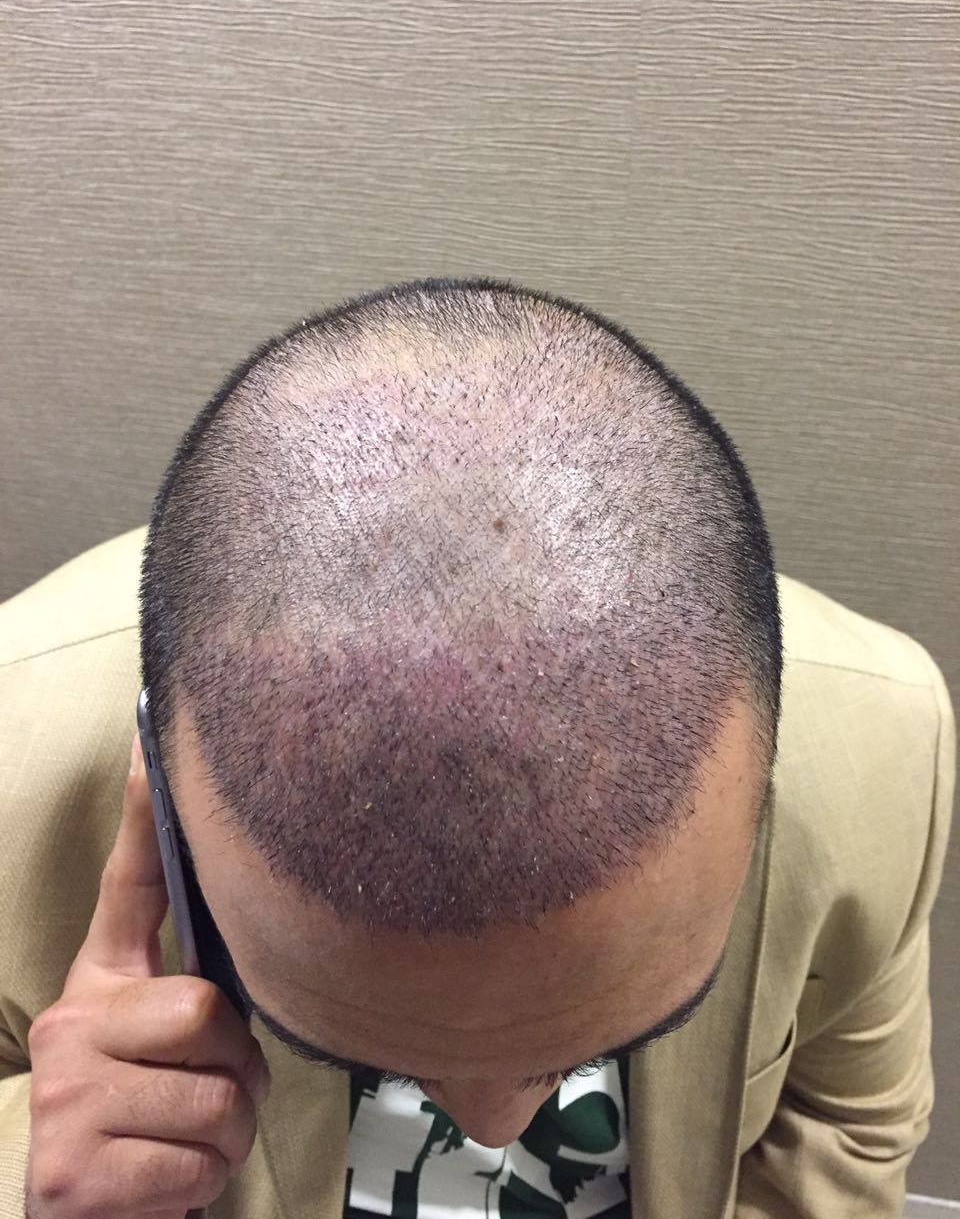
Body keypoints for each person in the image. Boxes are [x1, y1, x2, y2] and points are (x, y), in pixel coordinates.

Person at [0, 276, 953, 1218]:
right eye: (359, 1053)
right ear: (161, 782)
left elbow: (844, 1134)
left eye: (610, 1042)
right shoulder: (17, 760)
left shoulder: (883, 752)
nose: (495, 1126)